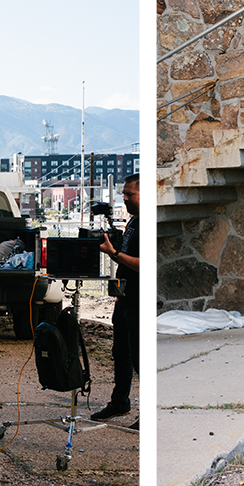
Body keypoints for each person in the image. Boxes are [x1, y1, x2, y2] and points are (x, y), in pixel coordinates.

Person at [92, 173, 155, 439]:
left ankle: (150, 418)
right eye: (124, 194)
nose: (125, 199)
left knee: (144, 361)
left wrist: (113, 253)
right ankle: (120, 402)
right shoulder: (135, 221)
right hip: (125, 299)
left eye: (130, 194)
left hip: (143, 302)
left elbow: (146, 266)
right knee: (121, 354)